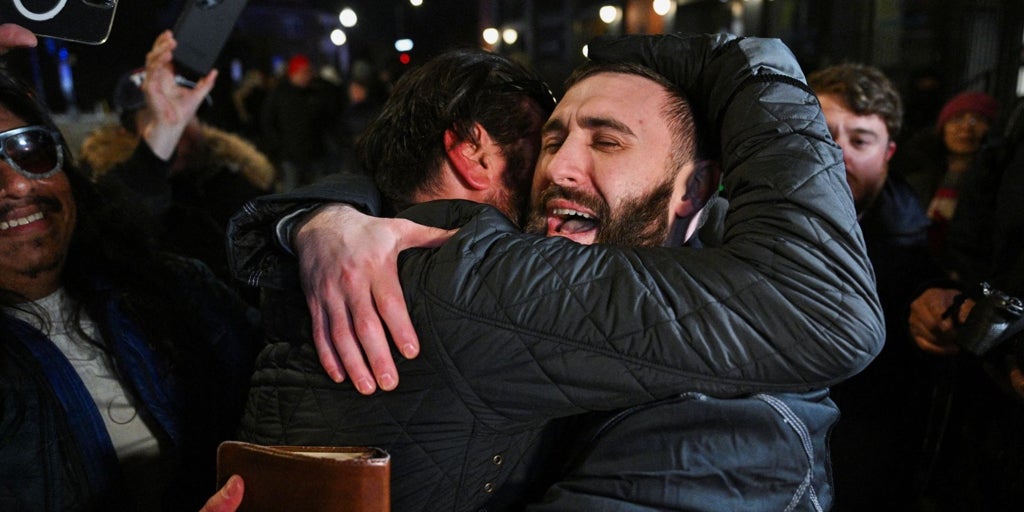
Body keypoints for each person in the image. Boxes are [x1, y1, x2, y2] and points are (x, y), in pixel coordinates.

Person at [228, 34, 882, 511]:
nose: (557, 169)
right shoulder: (471, 276)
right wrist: (751, 60)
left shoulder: (749, 407)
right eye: (548, 141)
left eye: (606, 140)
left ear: (693, 191)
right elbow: (826, 311)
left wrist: (312, 216)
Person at [0, 59, 260, 512]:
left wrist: (322, 226)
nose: (18, 184)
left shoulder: (170, 287)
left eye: (30, 150)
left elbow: (296, 362)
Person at [807, 63, 942, 508]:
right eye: (823, 133)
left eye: (860, 140)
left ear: (889, 152)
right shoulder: (734, 224)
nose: (837, 153)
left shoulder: (926, 255)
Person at [76, 32, 274, 302]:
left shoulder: (236, 176)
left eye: (189, 113)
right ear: (127, 132)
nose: (180, 126)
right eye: (158, 115)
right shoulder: (109, 194)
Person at [907, 98, 1024, 511]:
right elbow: (973, 249)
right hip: (989, 390)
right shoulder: (1011, 137)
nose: (967, 129)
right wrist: (945, 292)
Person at [894, 89, 999, 259]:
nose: (966, 127)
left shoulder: (999, 186)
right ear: (943, 129)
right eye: (957, 118)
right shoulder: (915, 181)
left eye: (977, 119)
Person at [260, 53, 334, 192]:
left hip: (314, 155)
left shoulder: (316, 93)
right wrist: (279, 149)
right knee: (291, 193)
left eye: (308, 72)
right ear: (293, 73)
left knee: (317, 193)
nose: (307, 76)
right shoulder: (279, 94)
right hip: (289, 157)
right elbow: (268, 123)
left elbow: (326, 120)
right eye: (303, 72)